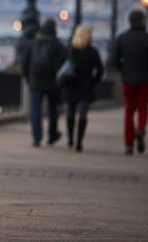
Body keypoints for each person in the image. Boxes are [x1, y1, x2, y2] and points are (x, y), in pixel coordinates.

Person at [111, 8, 148, 155]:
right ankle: (140, 130)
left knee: (129, 110)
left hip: (128, 79)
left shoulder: (122, 38)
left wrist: (123, 70)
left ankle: (128, 144)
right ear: (142, 21)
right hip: (144, 79)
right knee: (143, 109)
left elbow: (114, 59)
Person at [22, 18, 66, 148]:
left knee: (36, 110)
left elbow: (26, 64)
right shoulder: (58, 45)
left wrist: (29, 79)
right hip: (52, 83)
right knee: (53, 110)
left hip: (35, 82)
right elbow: (63, 66)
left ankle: (37, 137)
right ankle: (52, 135)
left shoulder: (35, 44)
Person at [63, 25, 104, 153]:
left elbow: (64, 65)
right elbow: (100, 69)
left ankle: (70, 138)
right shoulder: (92, 51)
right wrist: (94, 81)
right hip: (86, 85)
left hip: (71, 84)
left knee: (70, 112)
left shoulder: (71, 50)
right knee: (82, 114)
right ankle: (79, 142)